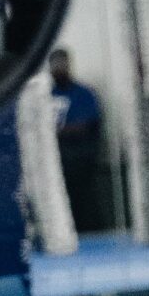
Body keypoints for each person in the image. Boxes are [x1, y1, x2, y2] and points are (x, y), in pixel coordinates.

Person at [47, 49, 113, 234]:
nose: (59, 69)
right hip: (56, 159)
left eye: (62, 64)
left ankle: (89, 229)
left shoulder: (83, 93)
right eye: (55, 65)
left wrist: (60, 131)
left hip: (81, 156)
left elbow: (86, 126)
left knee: (84, 196)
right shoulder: (46, 96)